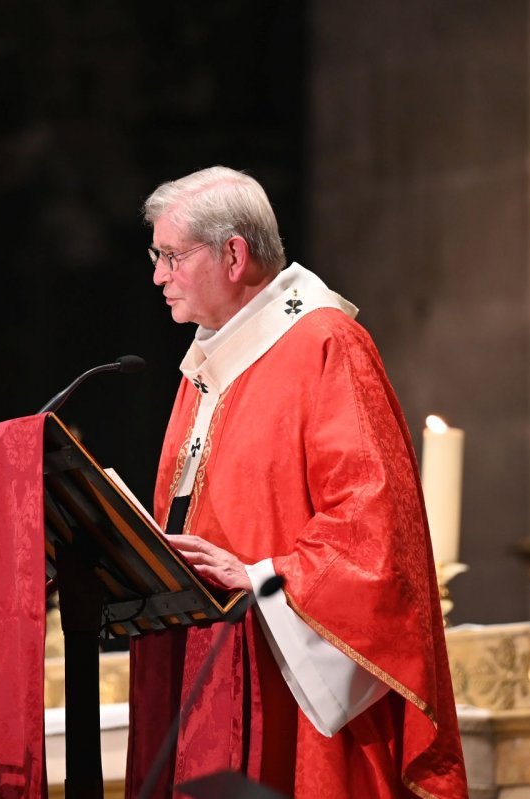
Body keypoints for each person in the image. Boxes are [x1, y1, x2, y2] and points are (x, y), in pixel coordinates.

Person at [125, 166, 468, 798]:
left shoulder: (325, 343)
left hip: (287, 684)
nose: (157, 275)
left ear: (234, 254)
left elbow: (374, 536)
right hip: (209, 671)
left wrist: (260, 578)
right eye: (157, 255)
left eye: (170, 256)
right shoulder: (208, 369)